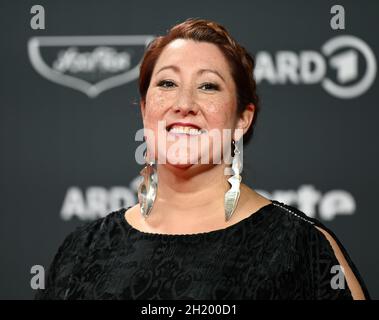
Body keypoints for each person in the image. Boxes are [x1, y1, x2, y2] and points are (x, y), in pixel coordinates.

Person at [35, 18, 370, 300]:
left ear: (242, 118)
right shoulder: (82, 250)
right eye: (167, 83)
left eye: (208, 86)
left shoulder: (302, 248)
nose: (184, 103)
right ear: (144, 109)